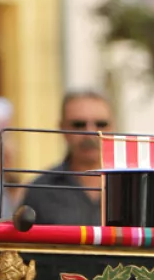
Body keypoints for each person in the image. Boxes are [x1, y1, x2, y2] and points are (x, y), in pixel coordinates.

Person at [20, 90, 114, 226]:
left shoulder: (134, 188)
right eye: (79, 125)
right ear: (62, 128)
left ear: (113, 127)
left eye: (101, 124)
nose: (90, 133)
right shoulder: (40, 190)